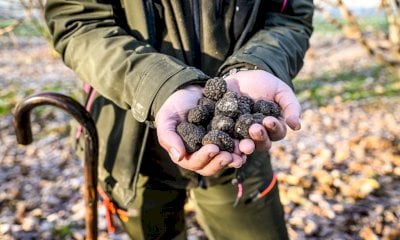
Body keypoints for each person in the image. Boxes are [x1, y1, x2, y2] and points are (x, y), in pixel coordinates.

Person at [44, 0, 313, 239]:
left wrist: (258, 64)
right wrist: (161, 85)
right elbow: (77, 22)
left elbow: (289, 16)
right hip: (131, 148)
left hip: (242, 153)